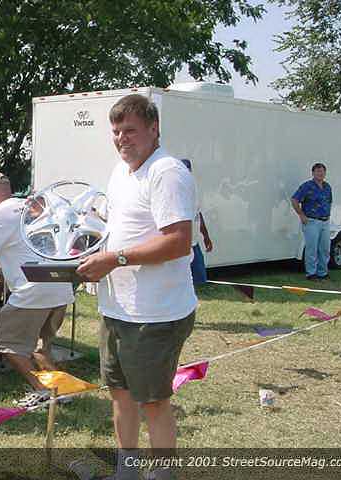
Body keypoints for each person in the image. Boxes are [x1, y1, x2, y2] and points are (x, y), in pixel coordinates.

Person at [77, 94, 197, 480]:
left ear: (154, 128)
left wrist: (114, 259)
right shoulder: (121, 172)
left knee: (154, 403)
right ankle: (126, 473)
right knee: (121, 395)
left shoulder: (167, 172)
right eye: (116, 131)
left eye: (130, 130)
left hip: (155, 315)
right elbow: (120, 231)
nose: (121, 138)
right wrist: (91, 251)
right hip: (117, 309)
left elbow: (178, 242)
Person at [0, 171, 75, 407]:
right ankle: (62, 392)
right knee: (40, 347)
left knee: (5, 343)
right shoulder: (31, 206)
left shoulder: (0, 213)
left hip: (32, 290)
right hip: (60, 285)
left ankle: (43, 390)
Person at [291, 163, 332, 281]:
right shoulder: (307, 186)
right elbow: (294, 199)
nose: (320, 173)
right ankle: (311, 273)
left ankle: (323, 272)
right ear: (313, 173)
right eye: (318, 171)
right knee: (312, 248)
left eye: (322, 171)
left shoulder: (327, 187)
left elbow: (329, 201)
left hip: (325, 221)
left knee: (325, 248)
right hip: (312, 221)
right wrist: (301, 214)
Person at [180, 159, 213, 284]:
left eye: (188, 170)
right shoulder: (175, 192)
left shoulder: (192, 190)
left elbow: (198, 215)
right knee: (182, 280)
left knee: (200, 279)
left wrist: (206, 236)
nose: (187, 173)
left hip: (194, 244)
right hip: (181, 246)